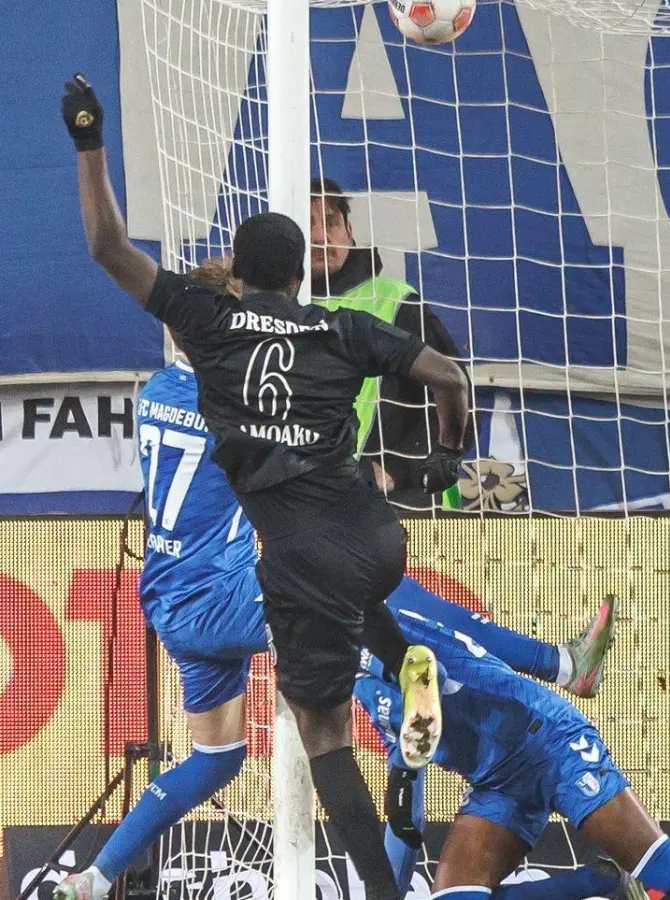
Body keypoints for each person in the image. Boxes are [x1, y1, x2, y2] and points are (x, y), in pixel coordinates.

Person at [64, 72, 465, 900]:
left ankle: (381, 875)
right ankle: (415, 678)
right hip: (359, 540)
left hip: (212, 583)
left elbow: (110, 250)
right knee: (364, 615)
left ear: (231, 281)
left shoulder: (187, 363)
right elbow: (447, 373)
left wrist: (89, 141)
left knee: (287, 740)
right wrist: (443, 466)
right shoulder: (340, 325)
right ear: (303, 275)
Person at [50, 352, 615, 900]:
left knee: (216, 759)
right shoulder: (237, 404)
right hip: (225, 593)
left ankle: (94, 879)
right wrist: (418, 474)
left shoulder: (158, 390)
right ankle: (514, 676)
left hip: (170, 598)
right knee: (371, 634)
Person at [361, 611, 670, 900]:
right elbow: (408, 793)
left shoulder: (374, 622)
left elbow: (431, 670)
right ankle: (601, 881)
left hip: (549, 740)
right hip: (495, 781)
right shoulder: (349, 690)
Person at [309, 177, 471, 507]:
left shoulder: (396, 301)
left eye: (331, 222)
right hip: (307, 504)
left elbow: (458, 388)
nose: (320, 237)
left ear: (349, 231)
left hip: (393, 508)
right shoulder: (276, 309)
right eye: (307, 224)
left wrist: (403, 470)